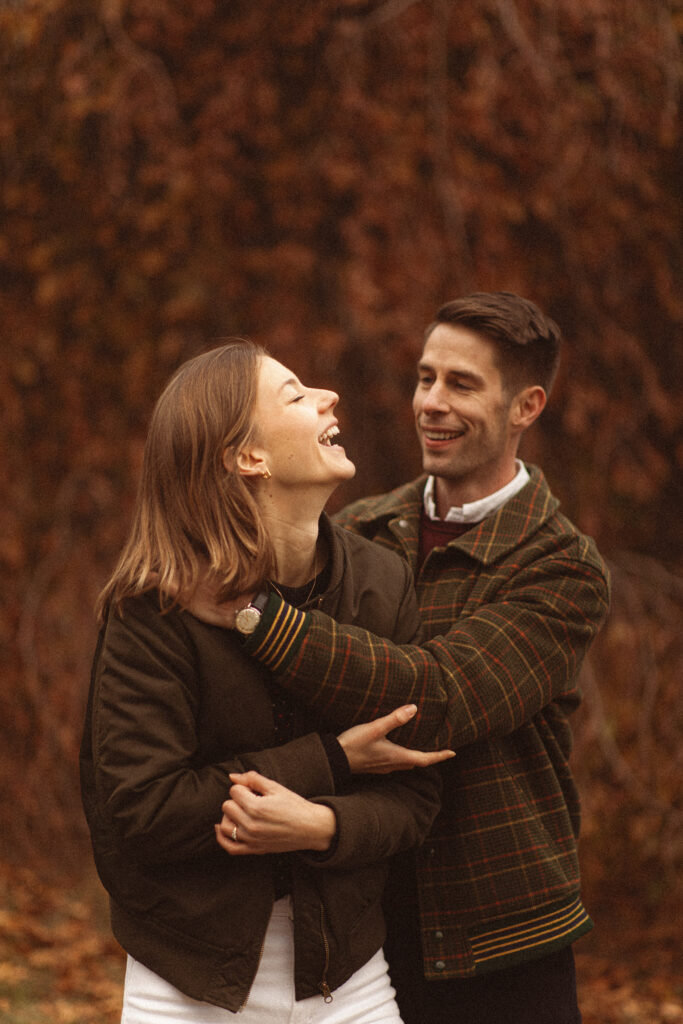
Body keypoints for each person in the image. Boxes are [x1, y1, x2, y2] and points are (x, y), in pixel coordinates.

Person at [183, 294, 611, 1024]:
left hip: (500, 936)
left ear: (526, 406)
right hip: (361, 921)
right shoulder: (358, 528)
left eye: (461, 385)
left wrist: (262, 619)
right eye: (424, 378)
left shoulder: (560, 567)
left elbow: (438, 701)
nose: (431, 404)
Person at [79, 341, 452, 1023]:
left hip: (349, 980)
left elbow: (415, 797)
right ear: (248, 457)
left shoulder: (380, 583)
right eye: (294, 394)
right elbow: (143, 809)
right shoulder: (154, 606)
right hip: (186, 985)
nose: (327, 397)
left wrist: (319, 826)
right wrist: (330, 759)